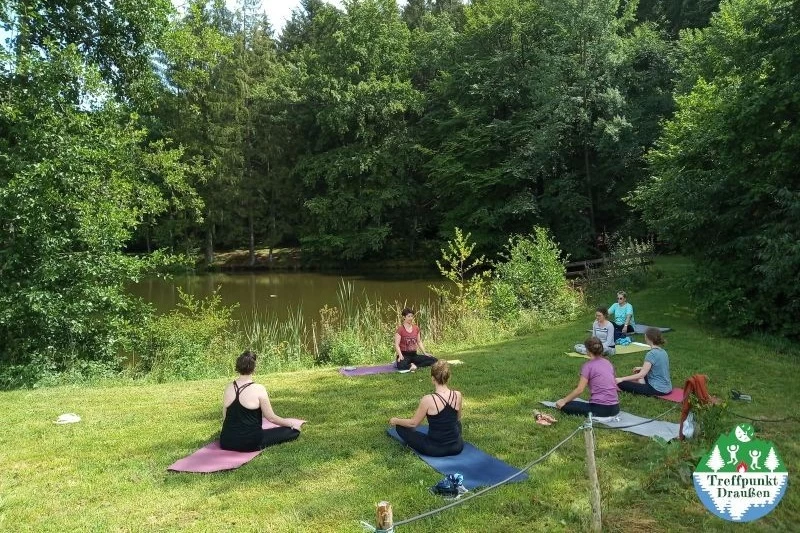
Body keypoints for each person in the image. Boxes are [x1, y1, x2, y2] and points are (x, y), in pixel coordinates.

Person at [219, 350, 302, 452]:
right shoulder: (259, 388)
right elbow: (271, 418)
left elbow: (225, 417)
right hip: (250, 443)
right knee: (292, 431)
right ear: (254, 369)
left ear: (238, 367)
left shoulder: (229, 387)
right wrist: (292, 424)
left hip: (226, 441)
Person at [389, 361, 463, 456]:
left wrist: (395, 420)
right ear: (448, 378)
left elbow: (413, 423)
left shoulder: (428, 399)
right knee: (456, 423)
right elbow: (458, 418)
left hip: (435, 449)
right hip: (457, 447)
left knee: (400, 427)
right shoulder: (458, 395)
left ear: (432, 379)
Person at [556, 337, 620, 417]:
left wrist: (564, 401)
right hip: (615, 408)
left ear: (587, 350)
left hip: (600, 409)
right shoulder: (607, 362)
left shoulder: (588, 366)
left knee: (565, 405)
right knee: (571, 402)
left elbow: (580, 390)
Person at [616, 328, 672, 396]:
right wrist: (641, 368)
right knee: (639, 371)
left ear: (648, 338)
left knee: (620, 383)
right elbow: (660, 366)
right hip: (668, 388)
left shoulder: (651, 354)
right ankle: (643, 385)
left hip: (657, 389)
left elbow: (641, 375)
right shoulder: (663, 352)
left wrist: (621, 379)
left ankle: (643, 387)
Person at [394, 308, 437, 372]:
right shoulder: (400, 330)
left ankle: (414, 366)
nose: (411, 318)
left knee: (434, 360)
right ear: (404, 317)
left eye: (412, 316)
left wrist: (425, 353)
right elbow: (396, 344)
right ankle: (410, 365)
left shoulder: (416, 328)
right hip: (404, 355)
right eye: (409, 316)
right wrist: (400, 355)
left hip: (414, 355)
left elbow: (419, 342)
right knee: (401, 366)